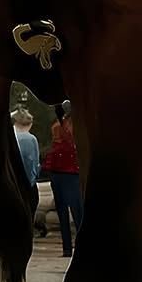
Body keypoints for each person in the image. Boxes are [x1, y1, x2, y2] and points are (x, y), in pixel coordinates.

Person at [43, 104, 81, 256]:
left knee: (65, 211)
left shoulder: (61, 126)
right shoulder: (67, 126)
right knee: (75, 210)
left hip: (61, 171)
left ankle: (67, 248)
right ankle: (71, 247)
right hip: (69, 171)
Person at [12, 106, 41, 218]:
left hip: (13, 181)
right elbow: (35, 162)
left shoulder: (10, 138)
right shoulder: (31, 139)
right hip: (29, 183)